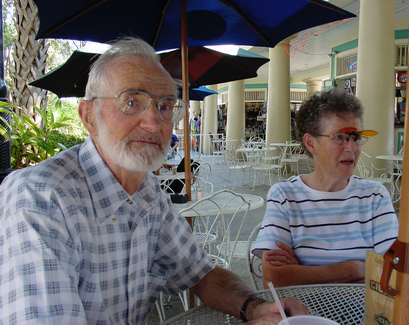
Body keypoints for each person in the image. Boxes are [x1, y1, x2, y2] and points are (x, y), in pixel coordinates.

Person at [0, 37, 308, 324]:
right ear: (89, 116)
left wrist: (254, 307)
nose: (153, 122)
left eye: (164, 106)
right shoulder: (40, 199)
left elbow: (200, 273)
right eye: (131, 102)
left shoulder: (147, 190)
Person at [252, 88, 399, 288]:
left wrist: (302, 271)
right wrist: (354, 269)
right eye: (339, 137)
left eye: (355, 137)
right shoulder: (285, 196)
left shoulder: (374, 196)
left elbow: (394, 273)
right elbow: (274, 277)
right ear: (311, 143)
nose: (351, 148)